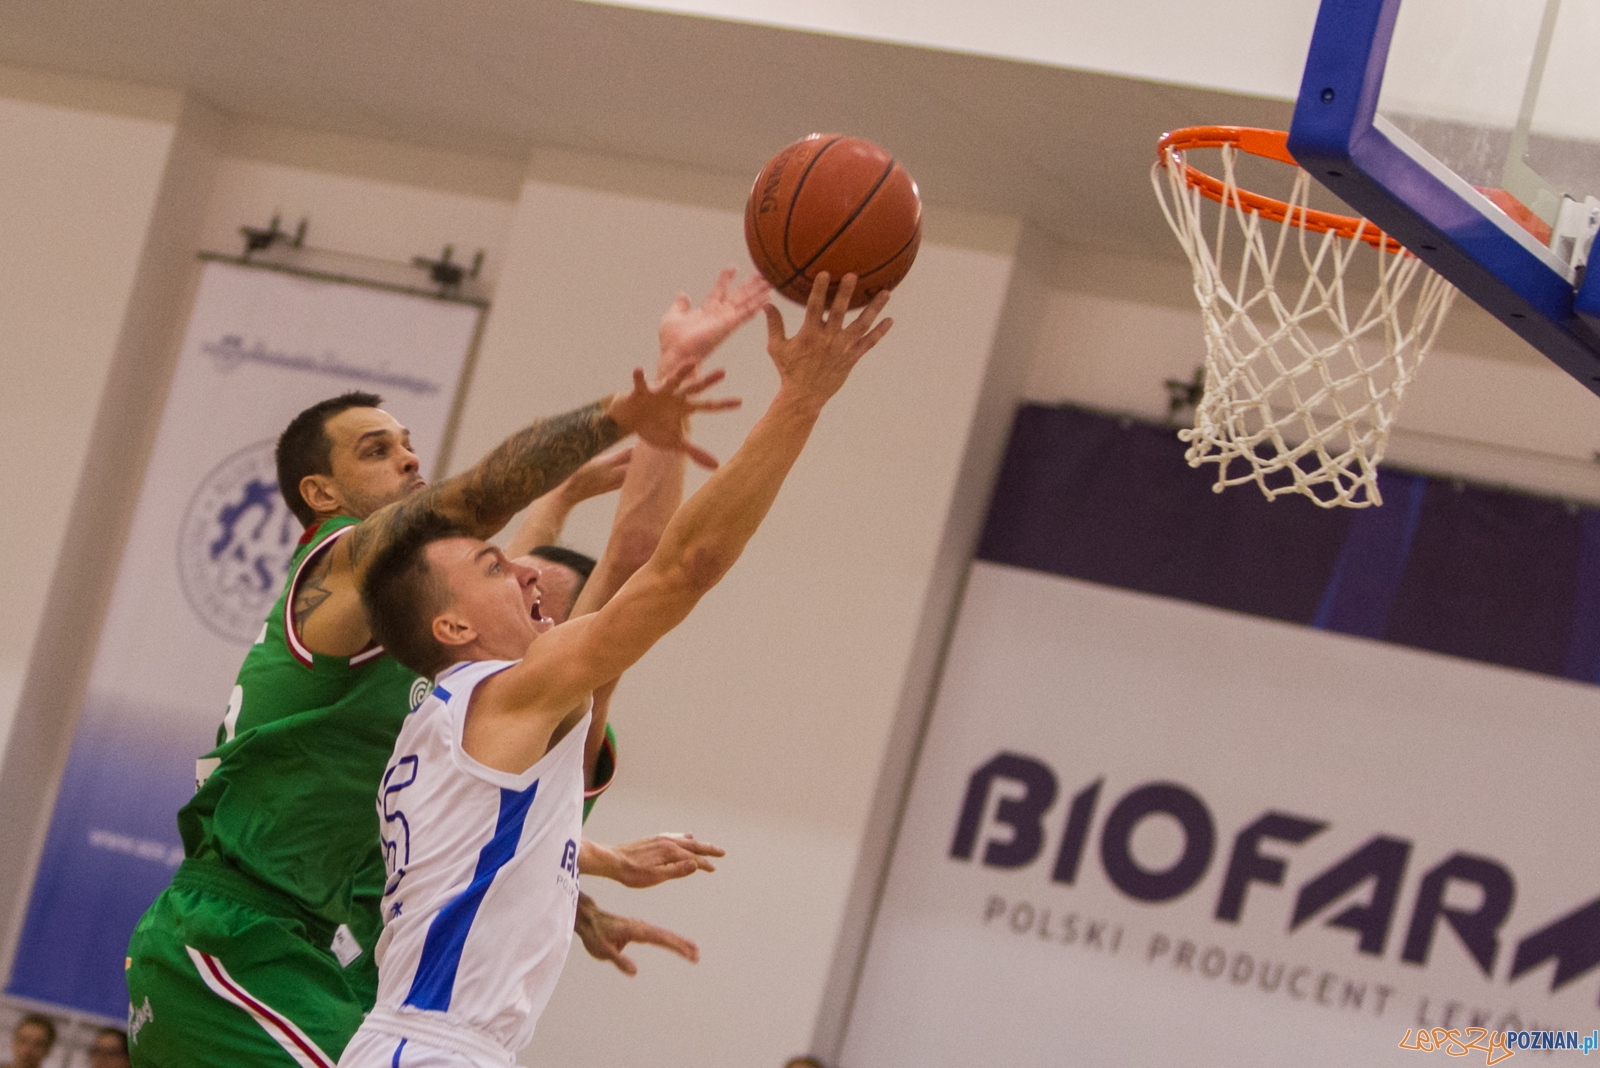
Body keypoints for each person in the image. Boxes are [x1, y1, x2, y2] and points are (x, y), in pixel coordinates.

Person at [126, 272, 763, 1068]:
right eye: (377, 448)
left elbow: (524, 593)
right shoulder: (345, 563)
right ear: (319, 490)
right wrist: (630, 412)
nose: (409, 458)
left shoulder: (453, 665)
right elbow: (473, 515)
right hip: (229, 937)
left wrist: (578, 885)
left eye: (407, 442)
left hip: (311, 943)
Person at [341, 273, 891, 1066]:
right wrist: (801, 399)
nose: (530, 572)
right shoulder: (512, 694)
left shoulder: (462, 714)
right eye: (498, 568)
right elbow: (680, 571)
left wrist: (666, 400)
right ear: (453, 624)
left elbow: (634, 562)